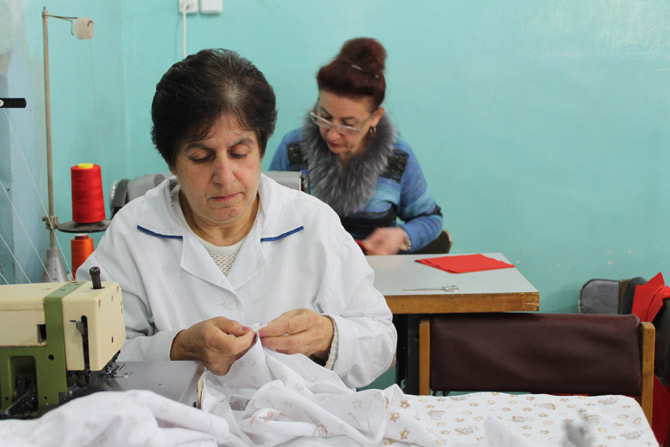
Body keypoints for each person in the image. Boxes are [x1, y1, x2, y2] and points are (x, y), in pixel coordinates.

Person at [77, 48, 396, 389]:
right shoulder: (133, 234)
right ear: (171, 162)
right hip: (181, 419)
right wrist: (176, 348)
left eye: (240, 153)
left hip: (300, 418)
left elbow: (382, 342)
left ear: (260, 148)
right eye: (201, 157)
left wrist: (328, 336)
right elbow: (89, 360)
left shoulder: (314, 225)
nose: (225, 176)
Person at [269, 37, 443, 256]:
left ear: (375, 117)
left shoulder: (398, 156)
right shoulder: (293, 147)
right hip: (306, 269)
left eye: (348, 125)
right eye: (324, 116)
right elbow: (267, 213)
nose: (332, 134)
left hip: (375, 272)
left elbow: (430, 218)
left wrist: (401, 235)